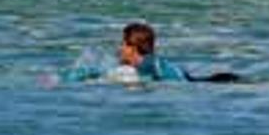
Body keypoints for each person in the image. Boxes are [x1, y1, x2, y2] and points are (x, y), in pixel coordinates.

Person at [58, 22, 242, 85]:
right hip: (208, 80)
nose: (119, 48)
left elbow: (134, 81)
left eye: (122, 44)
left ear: (131, 47)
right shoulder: (148, 62)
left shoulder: (147, 64)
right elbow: (102, 74)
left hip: (211, 84)